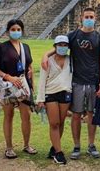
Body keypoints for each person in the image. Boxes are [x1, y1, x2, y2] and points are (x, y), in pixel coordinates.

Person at [41, 7, 100, 160]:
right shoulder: (73, 35)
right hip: (77, 81)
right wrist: (46, 54)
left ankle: (91, 145)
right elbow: (60, 45)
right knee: (76, 115)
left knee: (92, 114)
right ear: (81, 18)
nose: (89, 19)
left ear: (95, 18)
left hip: (94, 81)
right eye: (86, 16)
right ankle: (76, 145)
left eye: (91, 16)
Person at [0, 19, 37, 159]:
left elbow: (30, 67)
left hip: (23, 86)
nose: (16, 32)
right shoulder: (2, 47)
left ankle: (26, 145)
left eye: (18, 29)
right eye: (13, 29)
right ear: (8, 31)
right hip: (8, 86)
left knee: (26, 116)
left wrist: (32, 86)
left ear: (22, 31)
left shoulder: (26, 47)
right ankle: (9, 147)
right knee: (9, 115)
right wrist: (9, 77)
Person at [36, 35, 73, 165]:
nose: (62, 47)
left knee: (61, 122)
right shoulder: (48, 61)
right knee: (54, 123)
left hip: (66, 92)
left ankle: (54, 147)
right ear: (55, 46)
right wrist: (40, 99)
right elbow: (42, 80)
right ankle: (59, 152)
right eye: (59, 45)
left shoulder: (71, 60)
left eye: (65, 45)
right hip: (51, 93)